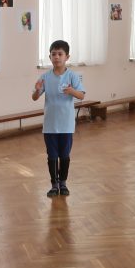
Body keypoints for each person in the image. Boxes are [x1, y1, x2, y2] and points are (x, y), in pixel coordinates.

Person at [32, 40, 85, 197]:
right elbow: (35, 97)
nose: (57, 57)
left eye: (60, 54)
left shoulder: (72, 76)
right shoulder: (45, 77)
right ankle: (54, 185)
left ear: (67, 57)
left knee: (65, 156)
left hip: (66, 125)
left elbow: (81, 95)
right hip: (50, 125)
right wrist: (36, 90)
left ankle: (63, 183)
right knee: (52, 156)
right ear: (50, 57)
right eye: (53, 54)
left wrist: (72, 91)